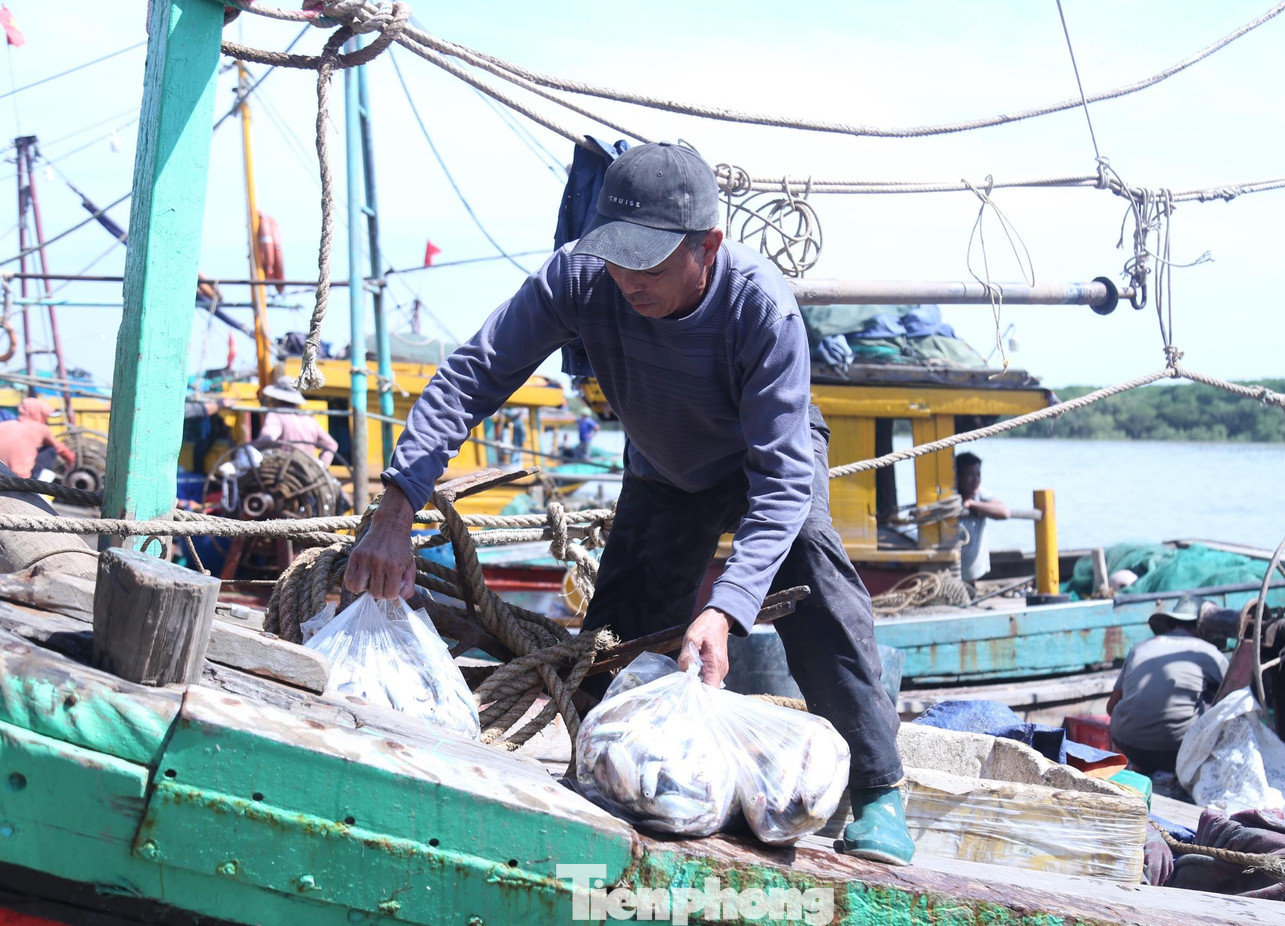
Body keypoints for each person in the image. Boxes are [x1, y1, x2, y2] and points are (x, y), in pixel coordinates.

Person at [344, 142, 915, 865]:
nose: (626, 279)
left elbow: (780, 481)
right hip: (664, 464)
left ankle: (878, 791)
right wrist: (397, 507)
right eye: (616, 257)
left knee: (813, 584)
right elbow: (474, 374)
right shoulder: (581, 279)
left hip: (765, 461)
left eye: (647, 262)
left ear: (706, 247)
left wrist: (727, 607)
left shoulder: (761, 308)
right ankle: (616, 775)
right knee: (612, 642)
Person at [1106, 595, 1229, 775]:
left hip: (1127, 742)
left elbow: (1111, 707)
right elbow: (1235, 699)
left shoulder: (1140, 647)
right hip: (1176, 749)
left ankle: (1142, 767)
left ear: (1170, 624)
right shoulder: (1210, 653)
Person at [254, 376, 338, 467]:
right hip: (307, 471)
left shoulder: (276, 415)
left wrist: (250, 448)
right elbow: (331, 444)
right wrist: (321, 465)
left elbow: (267, 439)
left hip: (283, 470)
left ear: (276, 399)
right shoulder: (309, 419)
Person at [954, 451, 1009, 588]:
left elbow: (1004, 512)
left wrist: (973, 504)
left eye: (978, 475)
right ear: (957, 476)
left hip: (972, 572)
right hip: (951, 570)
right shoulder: (947, 495)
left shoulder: (979, 494)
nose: (975, 480)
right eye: (970, 475)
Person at [0, 397, 75, 479]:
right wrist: (72, 461)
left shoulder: (3, 426)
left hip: (3, 478)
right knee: (50, 449)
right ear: (40, 413)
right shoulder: (40, 429)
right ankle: (40, 489)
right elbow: (61, 449)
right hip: (21, 480)